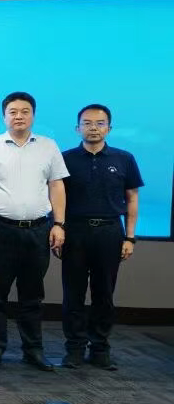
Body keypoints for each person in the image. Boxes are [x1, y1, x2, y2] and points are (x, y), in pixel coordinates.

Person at [0, 91, 68, 371]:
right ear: (4, 116)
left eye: (25, 111)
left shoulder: (48, 146)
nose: (19, 116)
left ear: (33, 115)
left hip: (39, 230)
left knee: (32, 295)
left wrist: (59, 224)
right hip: (0, 229)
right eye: (13, 112)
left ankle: (33, 349)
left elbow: (56, 186)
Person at [60, 104, 143, 370]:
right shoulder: (65, 159)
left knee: (104, 293)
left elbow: (132, 199)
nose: (93, 128)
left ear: (109, 128)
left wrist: (130, 237)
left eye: (99, 123)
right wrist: (58, 228)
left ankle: (99, 348)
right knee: (73, 293)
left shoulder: (124, 158)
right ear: (77, 128)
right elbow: (56, 198)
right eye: (87, 123)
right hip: (75, 231)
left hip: (110, 231)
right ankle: (74, 349)